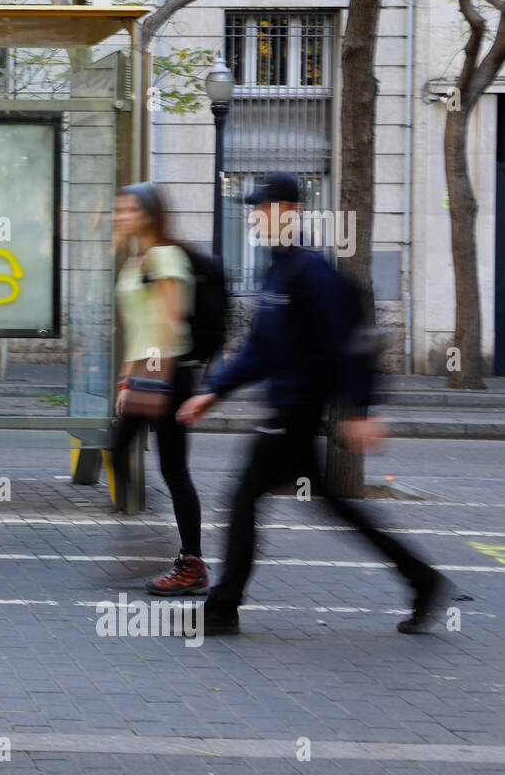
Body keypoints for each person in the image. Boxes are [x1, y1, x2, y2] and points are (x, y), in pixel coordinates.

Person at [177, 172, 456, 635]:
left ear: (289, 211)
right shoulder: (278, 271)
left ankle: (223, 609)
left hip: (296, 413)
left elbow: (354, 341)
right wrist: (215, 390)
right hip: (289, 411)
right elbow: (261, 350)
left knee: (243, 499)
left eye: (261, 208)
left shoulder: (312, 273)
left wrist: (362, 410)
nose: (253, 216)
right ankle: (422, 579)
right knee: (332, 505)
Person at [110, 183, 207, 595]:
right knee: (119, 454)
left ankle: (190, 563)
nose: (119, 216)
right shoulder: (136, 260)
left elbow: (171, 324)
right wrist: (125, 379)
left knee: (174, 470)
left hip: (168, 376)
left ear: (149, 214)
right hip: (145, 376)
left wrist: (148, 378)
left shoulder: (165, 256)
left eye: (127, 209)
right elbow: (135, 327)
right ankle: (164, 548)